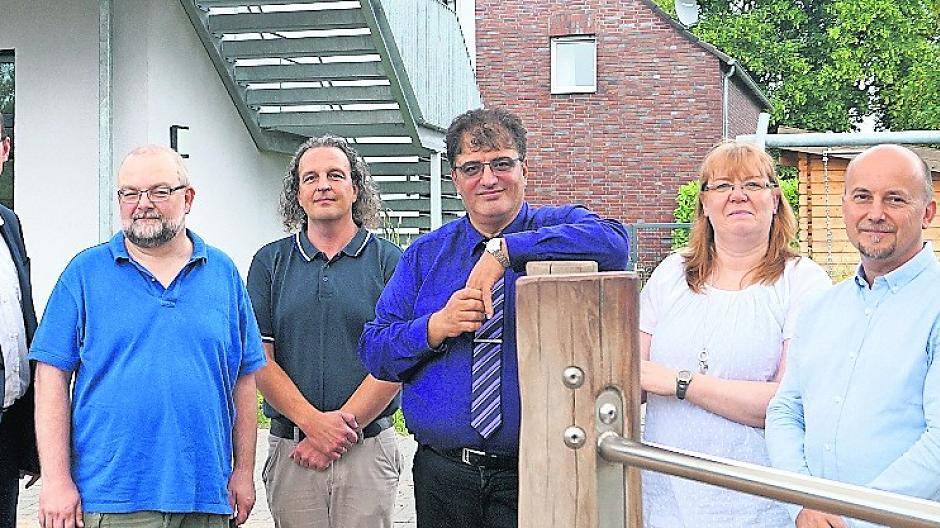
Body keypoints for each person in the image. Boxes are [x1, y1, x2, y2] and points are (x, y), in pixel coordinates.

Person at [358, 107, 630, 527]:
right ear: (455, 179)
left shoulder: (556, 226)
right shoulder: (425, 256)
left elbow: (615, 244)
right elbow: (376, 351)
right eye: (472, 168)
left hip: (539, 471)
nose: (488, 179)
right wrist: (435, 326)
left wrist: (505, 251)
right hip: (444, 476)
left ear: (525, 170)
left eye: (502, 163)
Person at [30, 145, 265, 528]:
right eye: (130, 193)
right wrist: (56, 481)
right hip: (110, 498)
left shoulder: (223, 274)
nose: (143, 204)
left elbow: (243, 379)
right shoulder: (84, 274)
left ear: (188, 198)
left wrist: (243, 472)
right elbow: (50, 377)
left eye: (159, 191)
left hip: (206, 496)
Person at [638, 140, 830, 527]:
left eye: (753, 184)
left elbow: (786, 403)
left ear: (774, 200)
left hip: (758, 506)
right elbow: (630, 377)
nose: (737, 195)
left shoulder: (803, 282)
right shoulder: (671, 273)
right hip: (665, 502)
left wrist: (681, 383)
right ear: (704, 204)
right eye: (723, 185)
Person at [766, 144, 939, 528]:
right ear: (845, 206)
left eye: (895, 199)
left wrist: (851, 517)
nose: (875, 213)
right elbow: (785, 411)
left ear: (927, 212)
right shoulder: (820, 308)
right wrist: (802, 503)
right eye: (862, 197)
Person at [247, 136, 402, 528]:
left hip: (368, 450)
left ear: (356, 188)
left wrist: (337, 433)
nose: (323, 186)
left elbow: (398, 359)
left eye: (335, 175)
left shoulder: (390, 262)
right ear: (297, 194)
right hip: (293, 451)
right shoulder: (269, 263)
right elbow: (259, 360)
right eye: (310, 178)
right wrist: (313, 426)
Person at [0, 114, 39, 528]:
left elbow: (21, 320)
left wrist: (32, 435)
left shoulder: (9, 224)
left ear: (4, 150)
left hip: (8, 426)